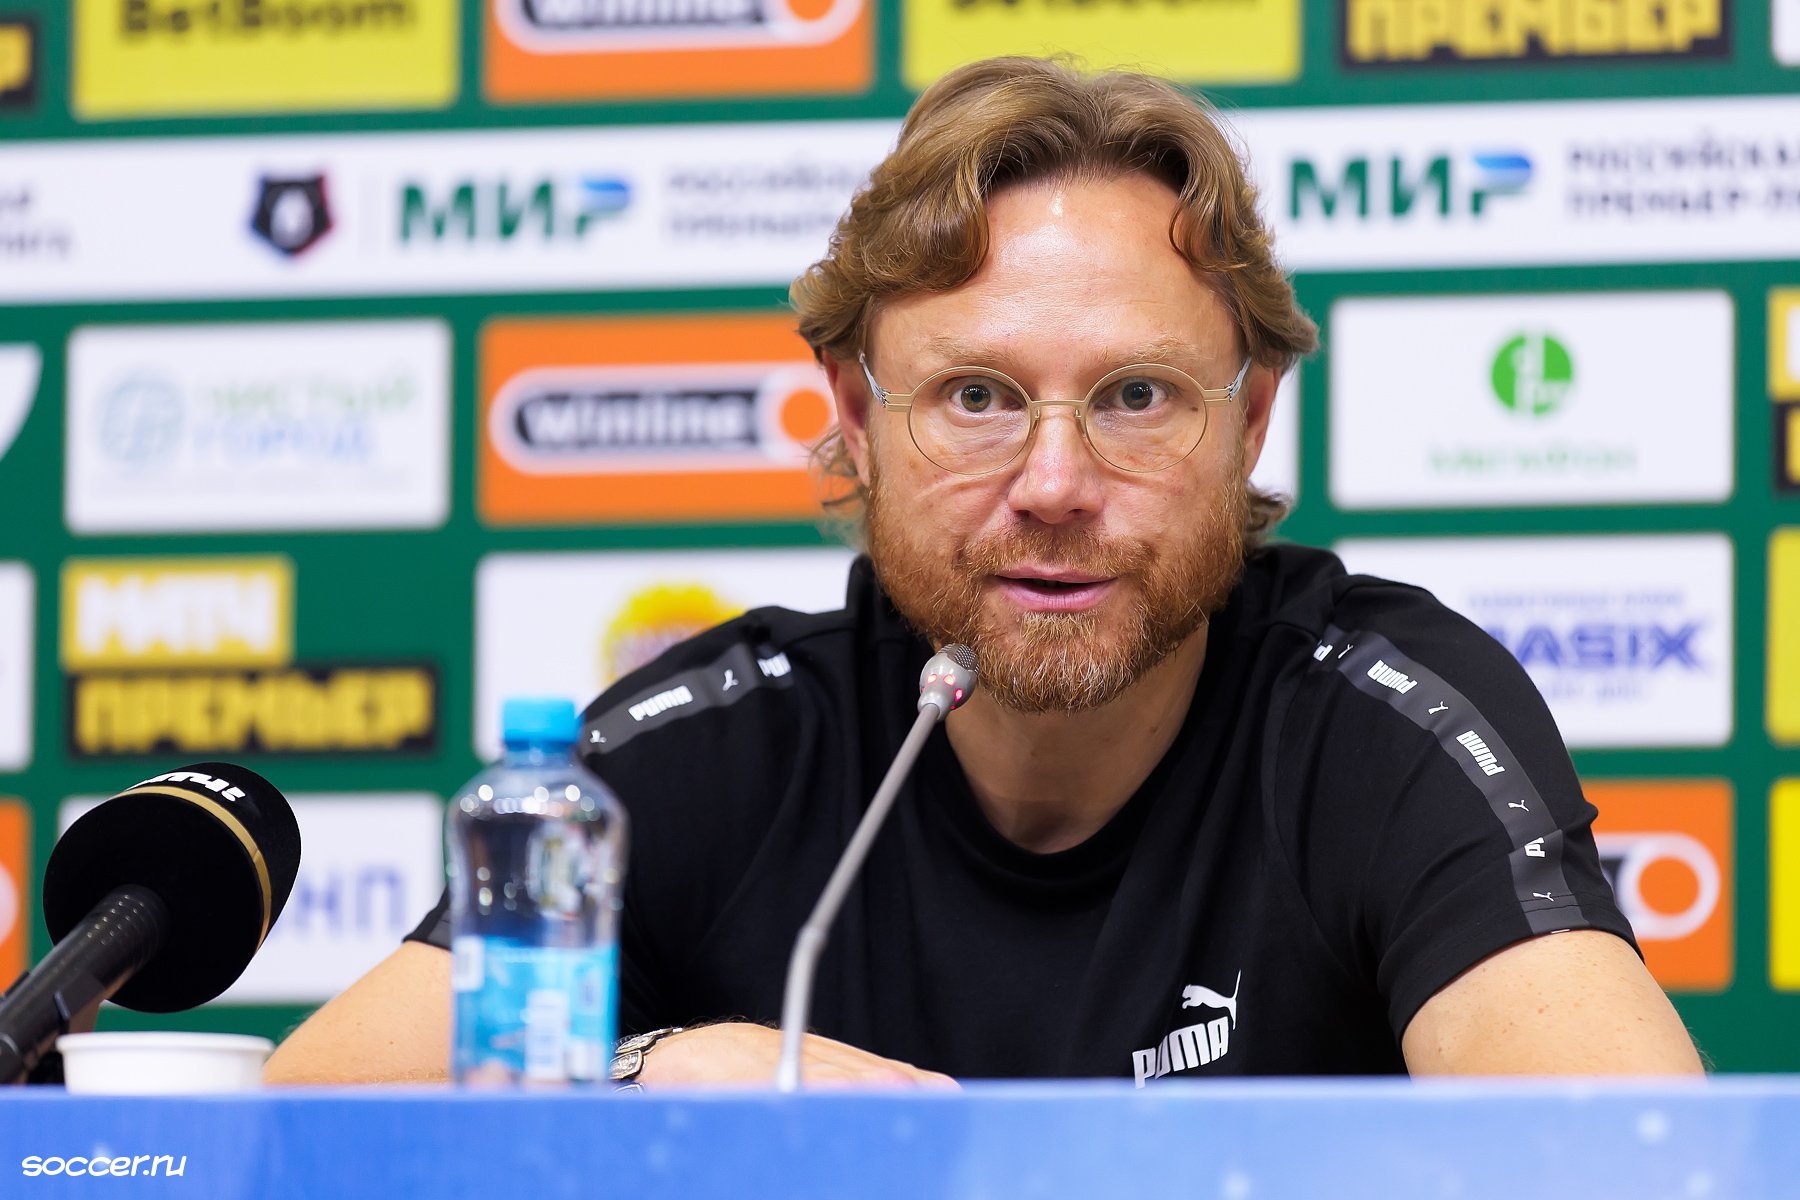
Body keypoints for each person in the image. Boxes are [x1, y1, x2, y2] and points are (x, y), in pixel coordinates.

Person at [264, 56, 1702, 1088]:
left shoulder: (1380, 720)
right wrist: (645, 1072)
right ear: (856, 420)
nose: (1056, 484)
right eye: (974, 397)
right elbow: (312, 1114)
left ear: (1249, 421)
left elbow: (1624, 1145)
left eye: (1137, 396)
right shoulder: (721, 744)